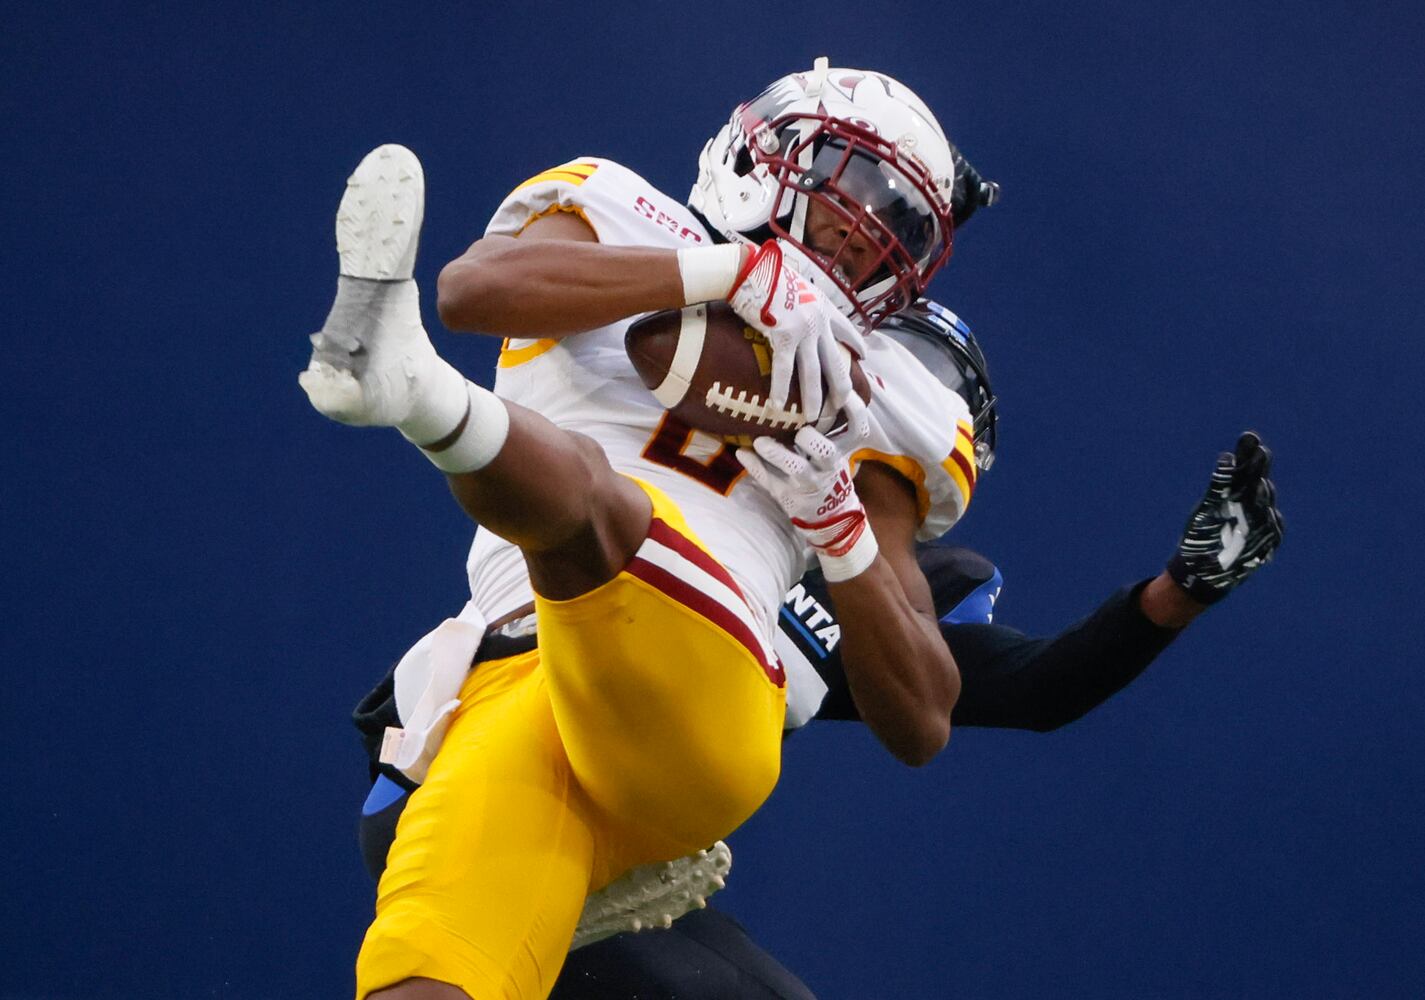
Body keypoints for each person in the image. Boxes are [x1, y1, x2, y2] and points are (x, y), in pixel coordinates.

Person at [352, 302, 1285, 999]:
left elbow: (1024, 689)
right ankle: (425, 392)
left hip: (628, 851)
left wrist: (1175, 595)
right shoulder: (695, 446)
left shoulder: (879, 596)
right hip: (493, 764)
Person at [302, 60, 986, 999]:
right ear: (767, 153)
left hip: (707, 687)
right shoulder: (622, 209)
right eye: (858, 187)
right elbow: (471, 288)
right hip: (516, 689)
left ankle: (415, 393)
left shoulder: (876, 382)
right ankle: (412, 386)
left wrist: (838, 529)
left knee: (595, 496)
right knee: (426, 977)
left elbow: (921, 715)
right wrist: (727, 271)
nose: (867, 238)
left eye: (903, 228)